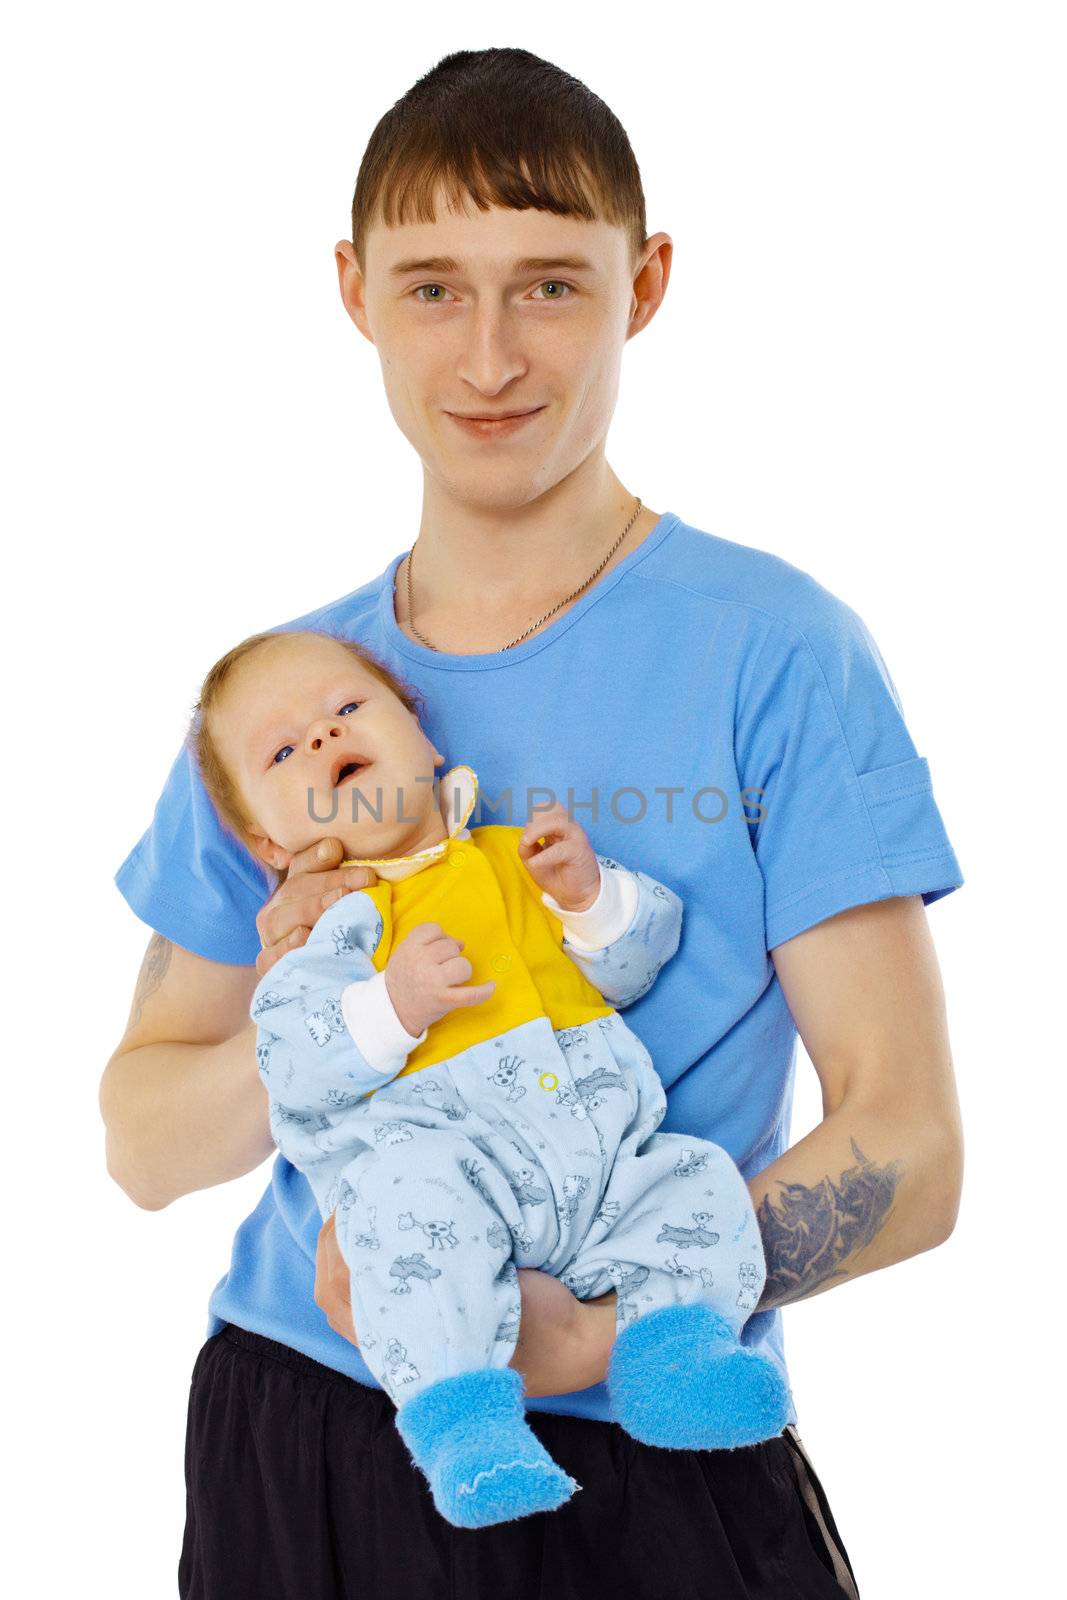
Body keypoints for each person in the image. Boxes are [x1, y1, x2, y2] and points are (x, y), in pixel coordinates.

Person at [100, 44, 965, 1600]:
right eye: (433, 287)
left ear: (643, 286)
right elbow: (144, 1144)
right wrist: (328, 1005)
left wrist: (590, 1330)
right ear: (354, 290)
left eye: (547, 286)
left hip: (649, 1436)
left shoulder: (773, 650)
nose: (488, 355)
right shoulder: (284, 712)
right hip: (301, 1433)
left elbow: (905, 1145)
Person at [188, 624, 791, 1527]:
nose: (321, 737)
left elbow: (632, 962)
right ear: (266, 842)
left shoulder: (517, 858)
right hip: (449, 1174)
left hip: (599, 1165)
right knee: (401, 1224)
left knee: (699, 1180)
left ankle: (676, 1358)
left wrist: (590, 897)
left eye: (347, 710)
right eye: (282, 751)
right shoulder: (329, 925)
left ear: (426, 742)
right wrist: (391, 1004)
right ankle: (463, 1426)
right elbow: (295, 1062)